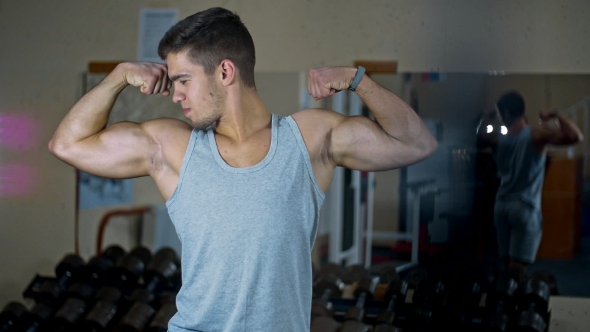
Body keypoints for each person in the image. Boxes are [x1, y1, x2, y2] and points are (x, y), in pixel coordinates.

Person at [48, 7, 438, 332]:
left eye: (183, 80)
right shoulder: (173, 147)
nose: (175, 93)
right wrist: (118, 77)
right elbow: (66, 144)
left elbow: (417, 143)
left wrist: (358, 81)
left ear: (225, 72)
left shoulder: (307, 139)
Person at [478, 90, 583, 281]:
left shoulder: (497, 138)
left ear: (506, 113)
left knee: (506, 266)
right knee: (518, 270)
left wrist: (487, 117)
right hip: (525, 209)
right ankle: (514, 306)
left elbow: (479, 135)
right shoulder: (536, 136)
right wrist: (555, 114)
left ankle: (504, 305)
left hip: (501, 207)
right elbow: (576, 136)